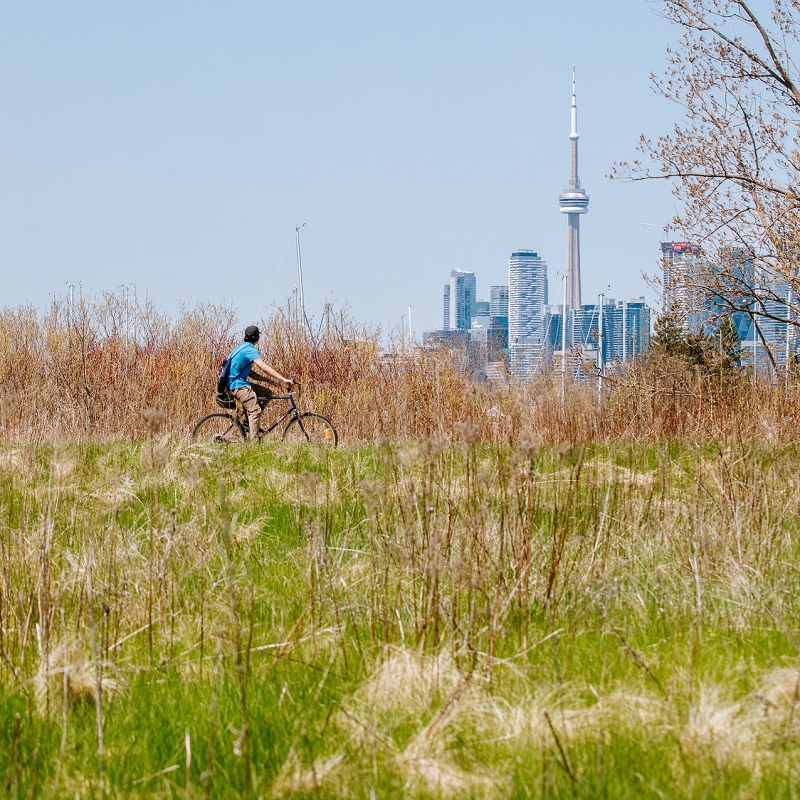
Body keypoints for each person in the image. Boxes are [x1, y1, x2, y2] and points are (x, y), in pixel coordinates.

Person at [226, 325, 294, 440]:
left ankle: (248, 423)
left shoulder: (241, 347)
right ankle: (254, 444)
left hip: (233, 383)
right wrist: (283, 379)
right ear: (257, 338)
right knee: (255, 410)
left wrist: (269, 381)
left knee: (267, 393)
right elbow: (263, 367)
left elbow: (251, 374)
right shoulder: (250, 350)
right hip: (237, 385)